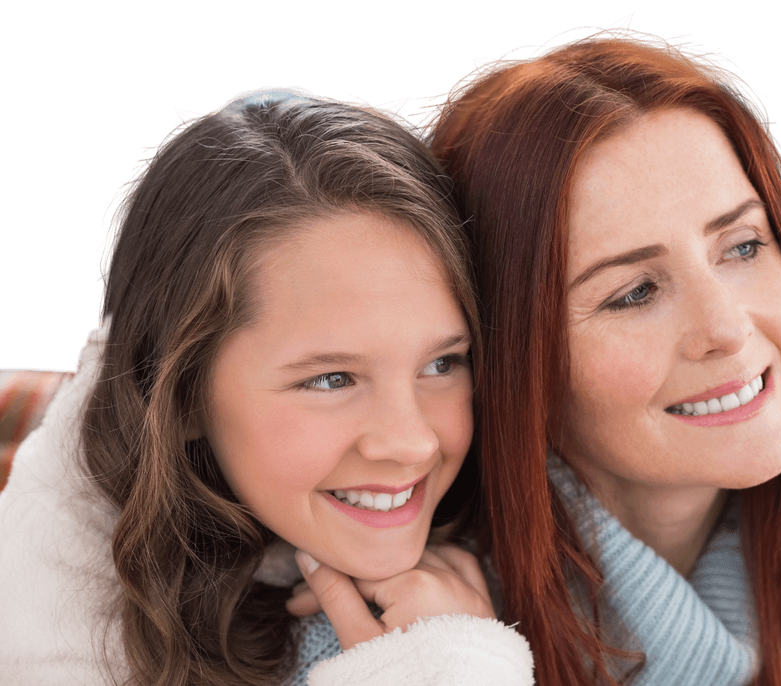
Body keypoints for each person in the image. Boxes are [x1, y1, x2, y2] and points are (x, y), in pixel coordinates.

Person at [425, 27, 781, 685]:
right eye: (635, 292)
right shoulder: (413, 639)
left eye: (742, 247)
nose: (728, 328)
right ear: (506, 356)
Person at [0, 89, 534, 686]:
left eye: (441, 364)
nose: (412, 444)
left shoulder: (531, 552)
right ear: (180, 396)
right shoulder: (45, 641)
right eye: (332, 379)